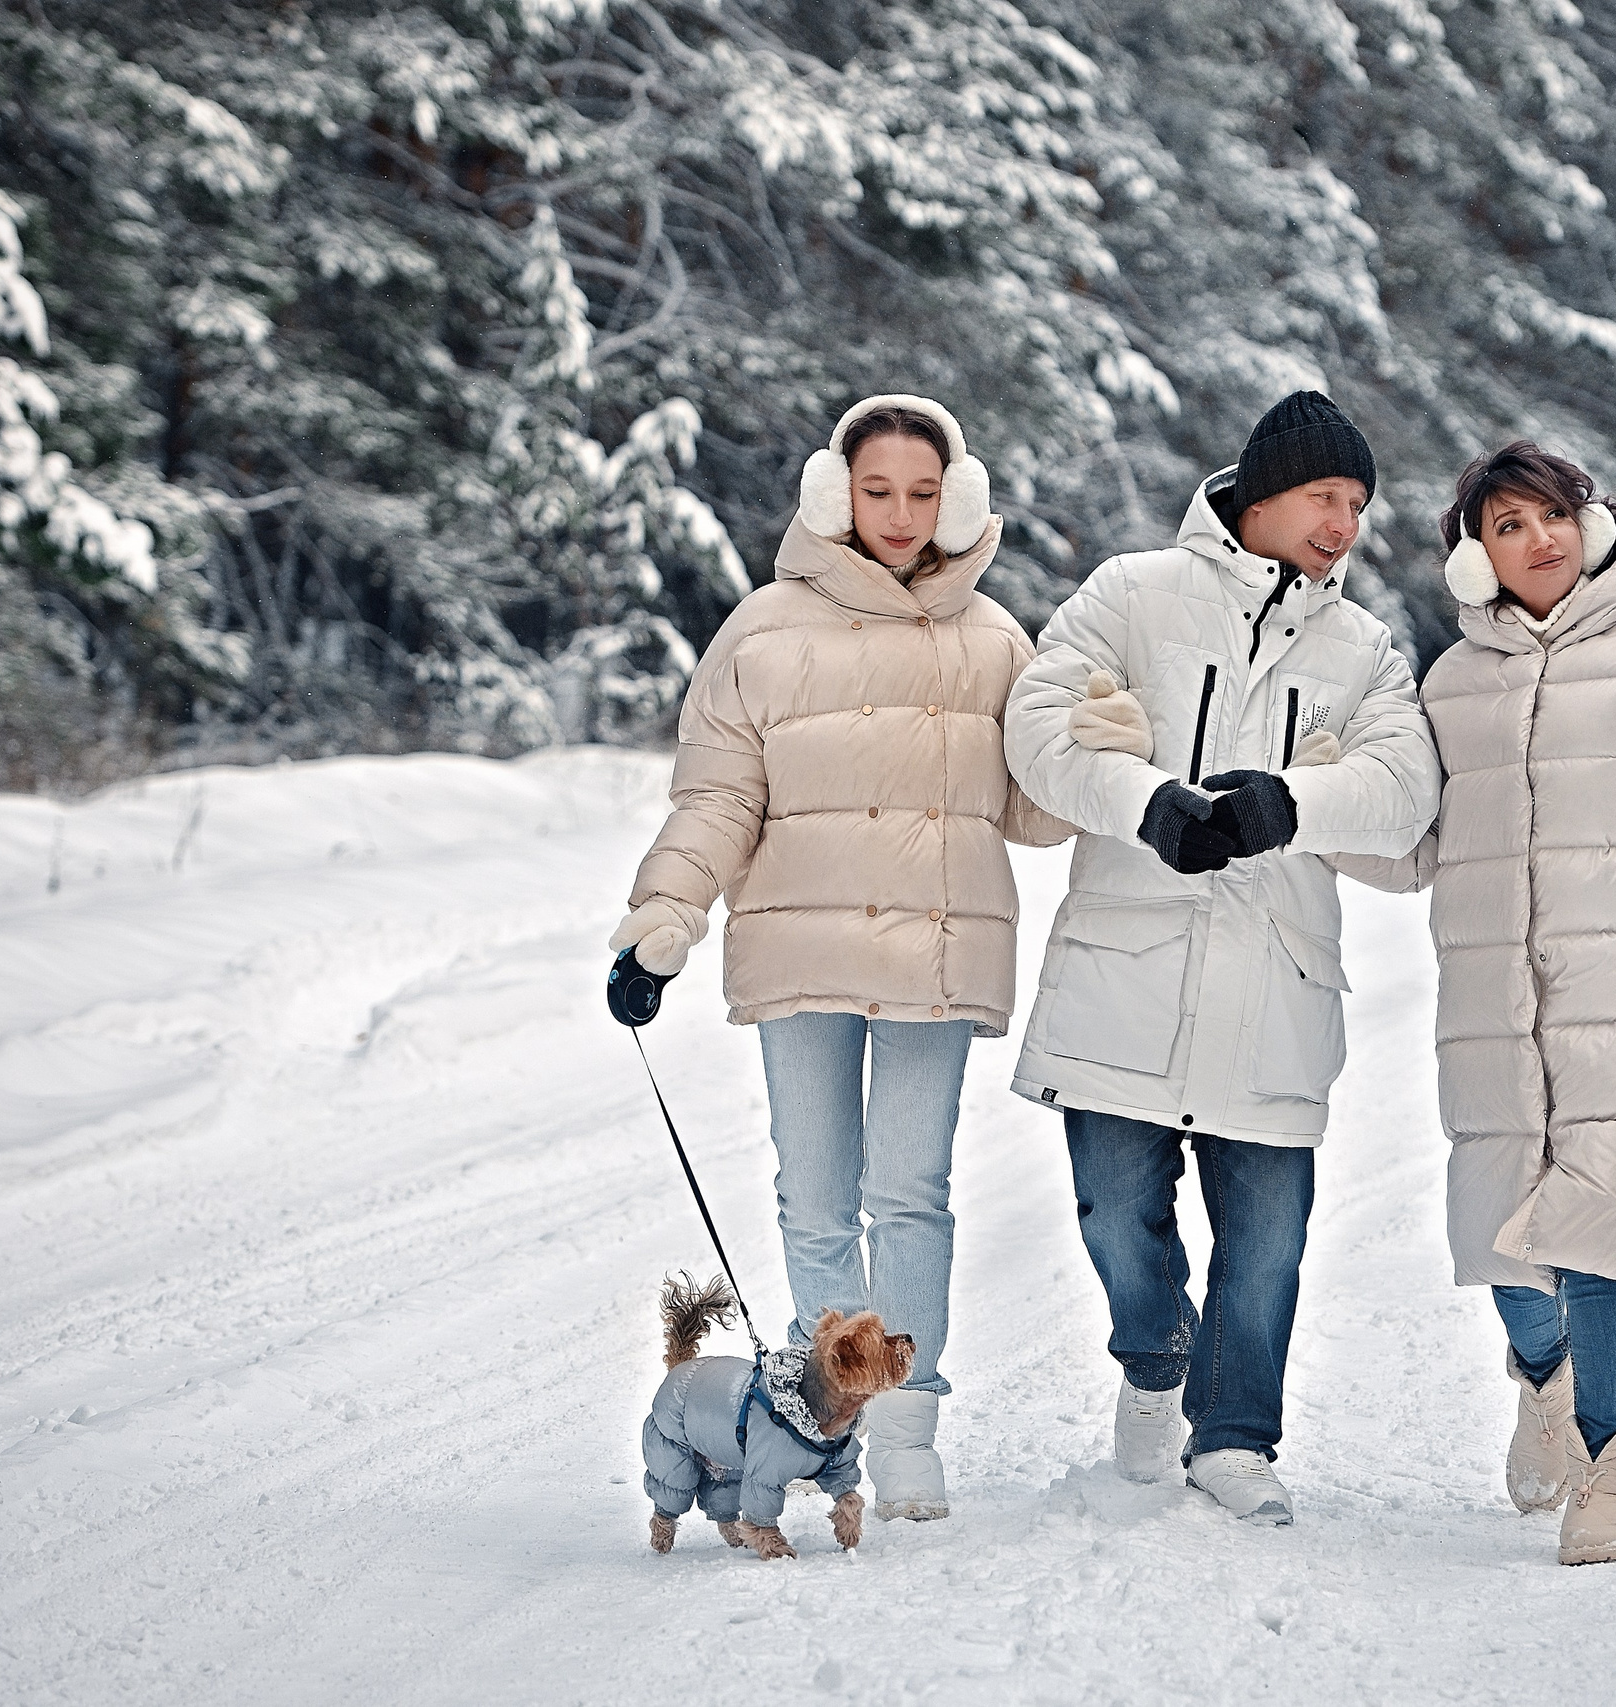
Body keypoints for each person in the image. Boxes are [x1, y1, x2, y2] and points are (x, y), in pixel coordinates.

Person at [608, 395, 1071, 1522]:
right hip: (799, 947)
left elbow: (1034, 814)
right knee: (814, 1200)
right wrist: (663, 917)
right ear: (836, 492)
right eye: (877, 490)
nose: (900, 514)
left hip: (936, 951)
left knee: (909, 1196)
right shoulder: (762, 631)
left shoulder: (993, 639)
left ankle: (905, 1433)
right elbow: (719, 796)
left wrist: (1088, 736)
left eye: (923, 492)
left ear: (954, 499)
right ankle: (830, 1418)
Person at [1336, 439, 1616, 1565]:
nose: (1535, 539)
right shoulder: (1452, 684)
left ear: (1588, 524)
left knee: (1594, 1243)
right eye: (1506, 526)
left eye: (1550, 516)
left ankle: (1606, 1469)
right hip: (1496, 1009)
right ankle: (1544, 1379)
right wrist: (1325, 795)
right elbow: (1416, 848)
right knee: (1503, 1248)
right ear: (1472, 558)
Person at [1001, 390, 1442, 1525]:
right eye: (1324, 496)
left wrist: (1291, 803)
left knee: (1267, 1243)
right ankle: (1155, 1358)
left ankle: (1234, 1437)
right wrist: (1147, 802)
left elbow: (1405, 794)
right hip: (1126, 969)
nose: (1345, 524)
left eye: (1358, 504)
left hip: (1273, 983)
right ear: (1260, 492)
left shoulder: (1364, 650)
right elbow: (1037, 732)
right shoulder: (1132, 593)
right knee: (1115, 1217)